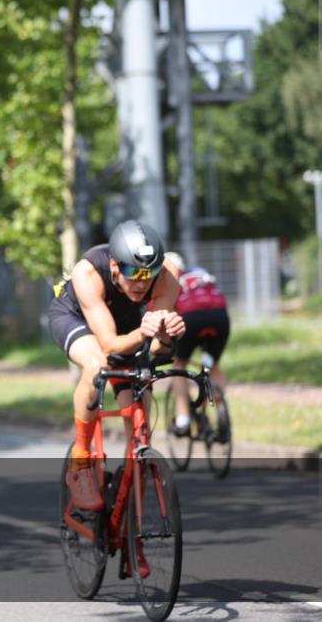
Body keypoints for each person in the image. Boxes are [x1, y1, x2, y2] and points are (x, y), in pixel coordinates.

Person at [47, 220, 185, 514]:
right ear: (113, 266)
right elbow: (109, 345)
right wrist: (146, 333)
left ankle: (128, 503)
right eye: (132, 272)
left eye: (148, 274)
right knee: (97, 366)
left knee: (139, 409)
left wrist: (168, 334)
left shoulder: (168, 276)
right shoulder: (88, 273)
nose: (141, 282)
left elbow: (158, 350)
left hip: (127, 325)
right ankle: (81, 461)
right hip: (76, 317)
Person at [162, 252, 230, 435]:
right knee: (212, 365)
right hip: (219, 316)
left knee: (179, 364)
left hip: (191, 317)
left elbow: (164, 314)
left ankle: (183, 419)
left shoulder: (166, 279)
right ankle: (221, 412)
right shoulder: (199, 272)